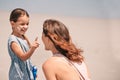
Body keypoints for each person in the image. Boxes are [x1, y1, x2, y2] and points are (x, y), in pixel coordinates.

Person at [8, 8, 39, 80]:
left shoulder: (23, 37)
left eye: (27, 24)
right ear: (12, 23)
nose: (25, 27)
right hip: (18, 75)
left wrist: (32, 69)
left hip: (27, 72)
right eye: (22, 24)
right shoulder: (13, 40)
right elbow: (23, 57)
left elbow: (27, 51)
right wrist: (32, 49)